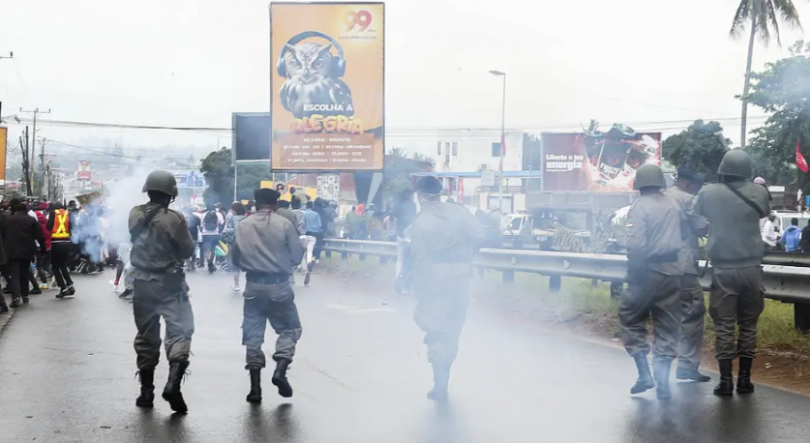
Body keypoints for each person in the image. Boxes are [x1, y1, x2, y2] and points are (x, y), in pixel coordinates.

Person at [693, 149, 771, 396]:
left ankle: (726, 381)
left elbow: (695, 220)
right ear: (747, 170)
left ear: (722, 170)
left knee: (725, 325)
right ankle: (745, 380)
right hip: (751, 268)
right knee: (748, 324)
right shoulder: (759, 191)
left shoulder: (708, 192)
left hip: (723, 270)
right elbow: (764, 212)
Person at [408, 176, 485, 401]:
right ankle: (443, 381)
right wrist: (464, 256)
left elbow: (419, 258)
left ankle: (439, 384)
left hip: (436, 284)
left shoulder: (421, 221)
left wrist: (419, 287)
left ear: (421, 196)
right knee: (453, 330)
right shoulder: (460, 212)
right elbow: (479, 236)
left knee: (437, 331)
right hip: (462, 281)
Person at [129, 170, 196, 413]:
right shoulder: (173, 218)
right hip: (170, 284)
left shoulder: (134, 213)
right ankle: (172, 384)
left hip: (141, 283)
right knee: (180, 332)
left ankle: (146, 393)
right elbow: (187, 250)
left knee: (146, 336)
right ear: (170, 195)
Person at [232, 188, 305, 402]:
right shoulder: (284, 224)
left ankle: (255, 389)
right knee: (290, 329)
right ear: (276, 204)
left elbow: (235, 256)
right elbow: (296, 256)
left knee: (253, 336)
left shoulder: (243, 224)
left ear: (256, 203)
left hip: (253, 286)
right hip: (279, 285)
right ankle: (280, 369)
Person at [618, 164, 683, 400]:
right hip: (673, 272)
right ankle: (663, 381)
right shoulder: (673, 205)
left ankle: (644, 374)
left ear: (639, 184)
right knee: (667, 324)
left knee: (630, 316)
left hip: (647, 271)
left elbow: (637, 246)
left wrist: (633, 274)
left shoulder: (640, 206)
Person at [665, 169, 710, 383]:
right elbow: (702, 228)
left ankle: (661, 366)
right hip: (682, 267)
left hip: (657, 268)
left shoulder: (659, 198)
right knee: (693, 312)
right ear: (689, 184)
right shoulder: (688, 200)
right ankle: (687, 365)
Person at [4, 200, 46, 307]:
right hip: (27, 251)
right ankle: (25, 295)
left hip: (11, 251)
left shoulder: (9, 220)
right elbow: (39, 236)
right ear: (26, 210)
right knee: (24, 273)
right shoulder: (30, 220)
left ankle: (16, 297)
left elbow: (4, 235)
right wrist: (43, 249)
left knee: (14, 275)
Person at [47, 203, 76, 298]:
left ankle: (63, 288)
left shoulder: (53, 213)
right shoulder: (68, 213)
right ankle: (70, 284)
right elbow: (72, 227)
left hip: (56, 243)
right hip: (67, 243)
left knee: (55, 267)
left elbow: (49, 227)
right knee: (63, 265)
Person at [392, 189, 417, 283]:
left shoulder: (398, 205)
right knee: (410, 259)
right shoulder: (412, 205)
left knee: (400, 259)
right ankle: (407, 280)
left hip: (399, 234)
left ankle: (398, 278)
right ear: (409, 195)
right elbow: (413, 219)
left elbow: (396, 218)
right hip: (409, 235)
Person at [223, 202, 247, 291]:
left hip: (236, 241)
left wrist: (226, 230)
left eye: (232, 210)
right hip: (246, 242)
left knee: (235, 264)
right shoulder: (246, 218)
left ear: (235, 210)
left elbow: (237, 229)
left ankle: (236, 284)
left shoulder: (234, 218)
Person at [200, 203, 224, 274]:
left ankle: (209, 263)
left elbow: (201, 225)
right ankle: (211, 263)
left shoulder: (204, 214)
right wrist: (219, 231)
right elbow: (222, 223)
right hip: (215, 234)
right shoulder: (218, 214)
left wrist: (202, 232)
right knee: (212, 249)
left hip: (205, 234)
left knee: (207, 250)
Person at [302, 201, 322, 286]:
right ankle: (309, 263)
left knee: (303, 251)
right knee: (310, 251)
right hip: (313, 234)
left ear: (306, 206)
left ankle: (304, 267)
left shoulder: (304, 214)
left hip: (305, 234)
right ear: (312, 206)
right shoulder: (316, 214)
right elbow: (319, 225)